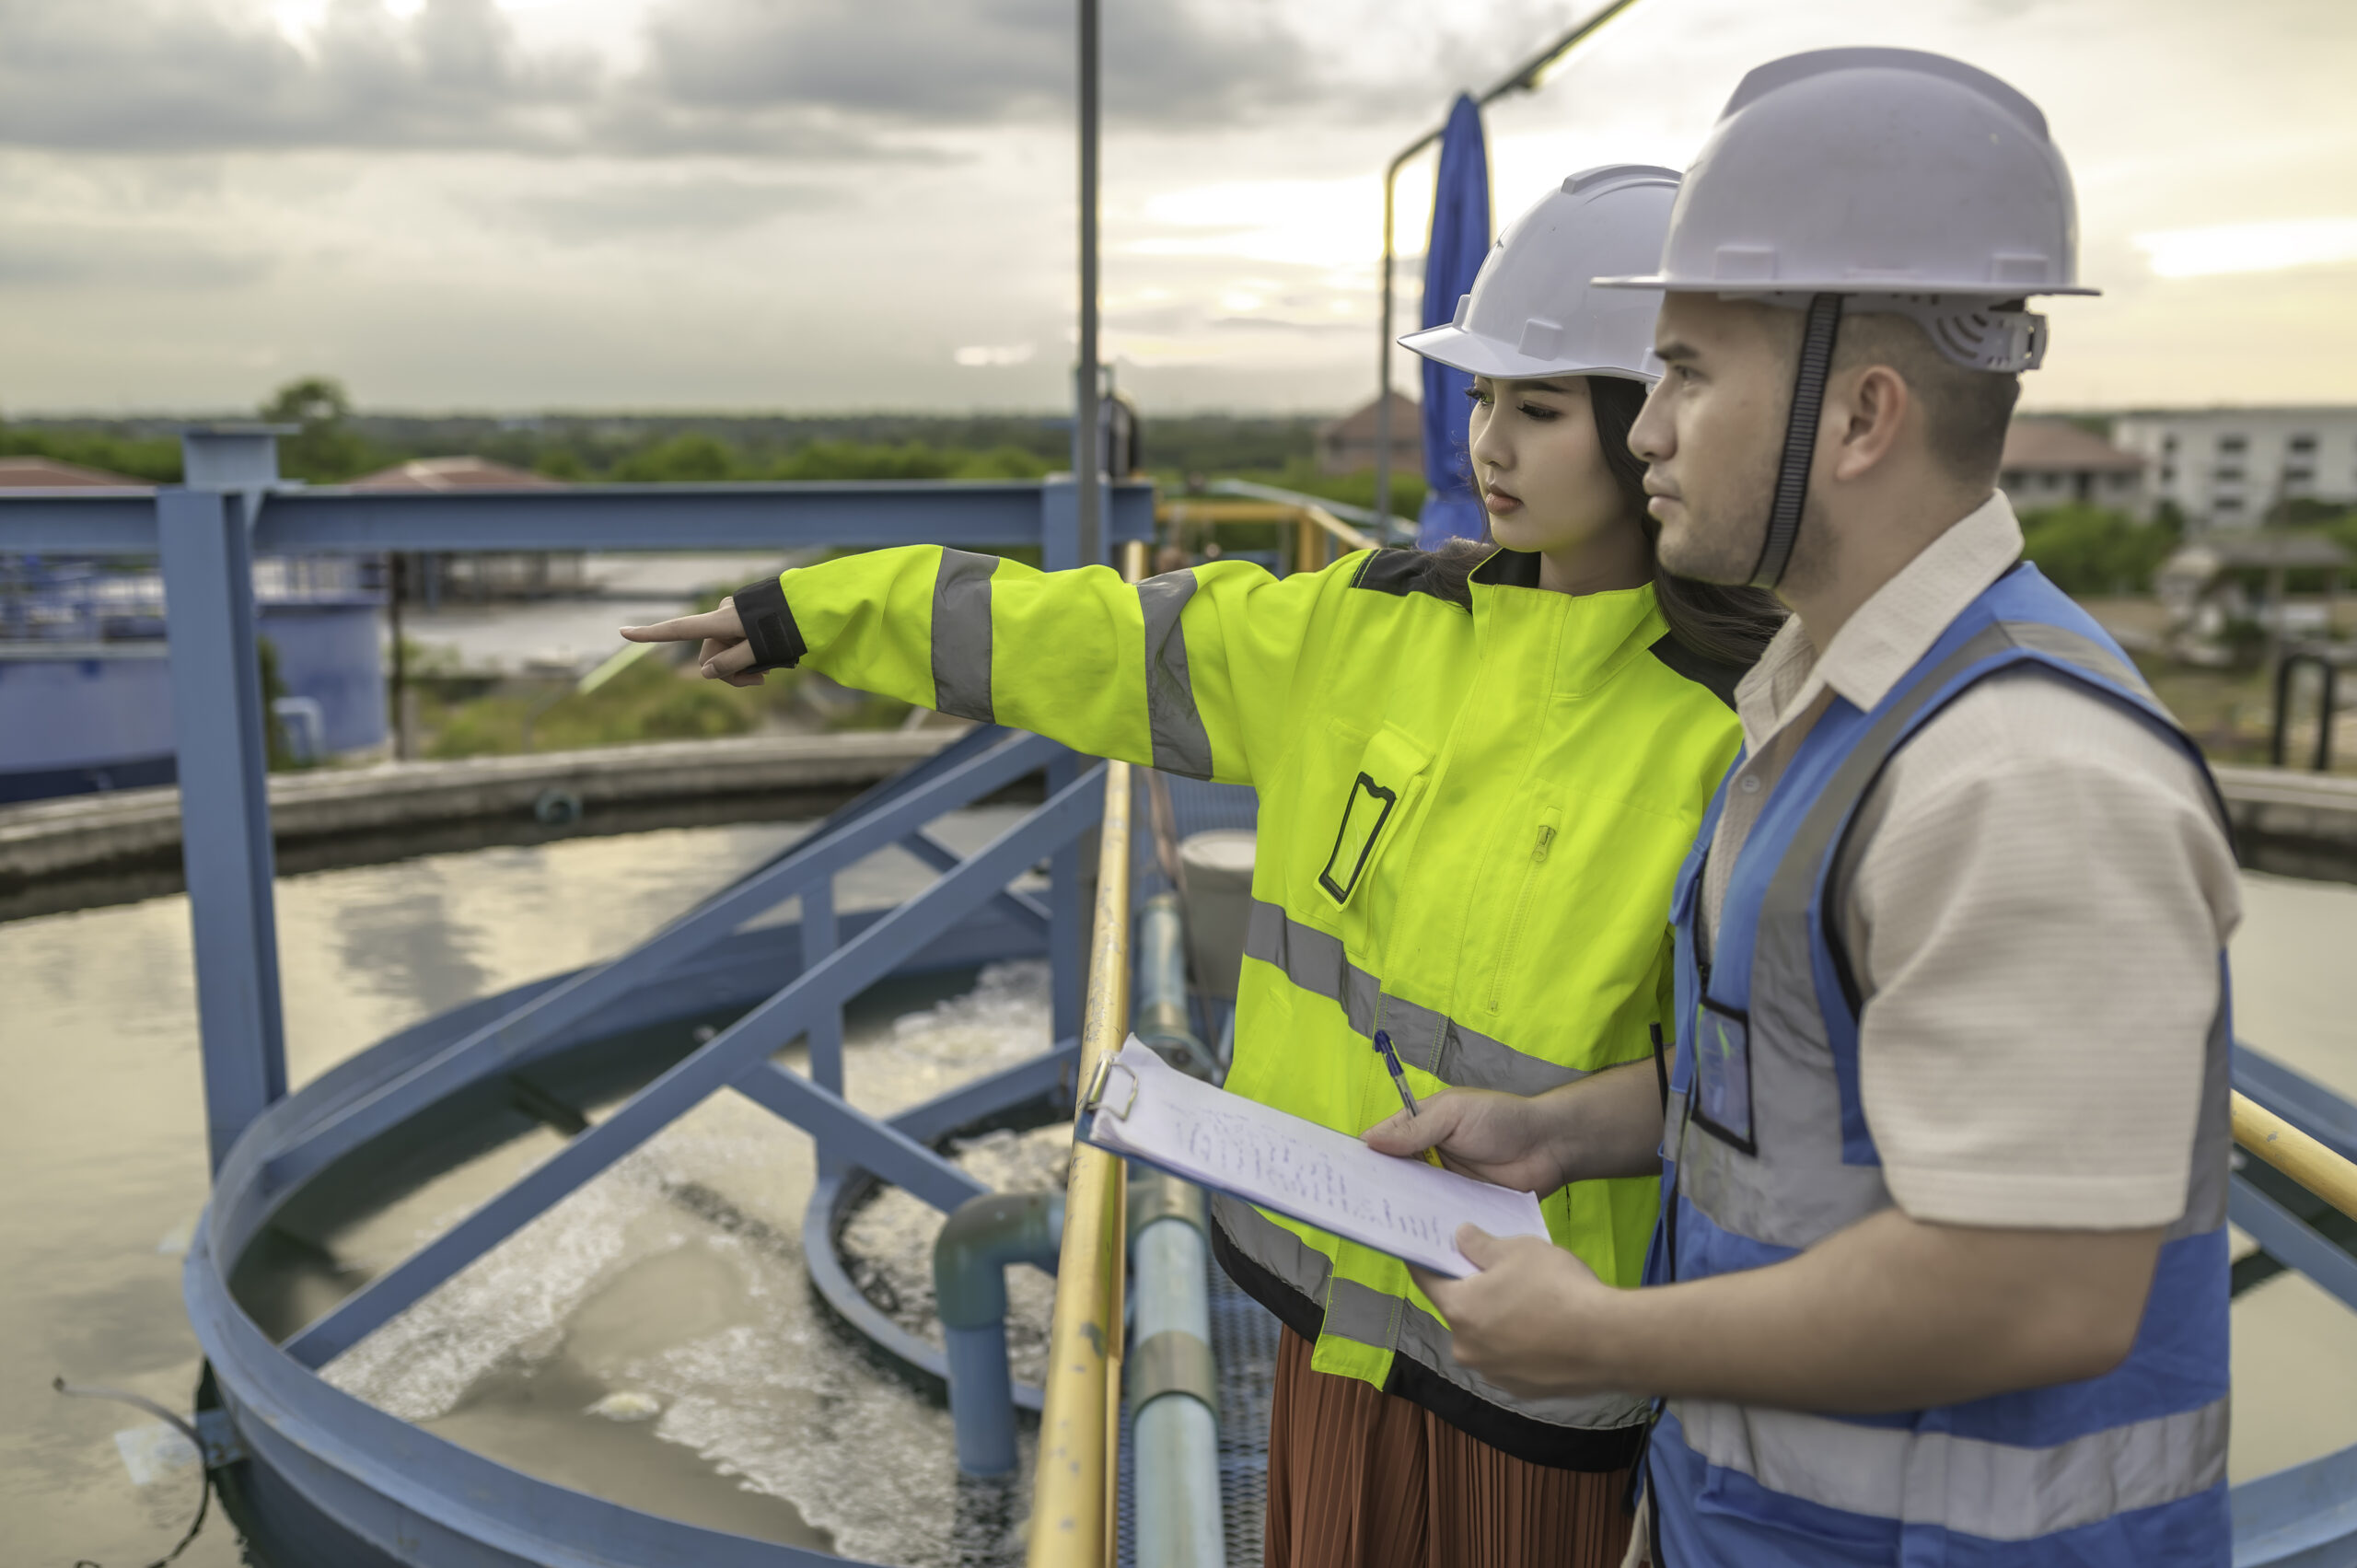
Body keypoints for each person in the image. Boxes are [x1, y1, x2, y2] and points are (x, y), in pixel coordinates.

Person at [619, 165, 1782, 1568]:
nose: (1491, 446)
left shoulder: (1735, 719)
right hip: (1314, 1307)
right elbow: (1097, 636)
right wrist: (814, 610)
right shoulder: (1367, 626)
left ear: (1650, 422)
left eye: (1537, 409)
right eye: (1479, 403)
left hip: (1535, 1364)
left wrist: (1590, 1127)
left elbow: (1778, 1066)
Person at [1368, 49, 2241, 1567]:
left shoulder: (2020, 773)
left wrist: (1609, 1335)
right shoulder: (1833, 698)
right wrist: (1560, 1129)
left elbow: (2034, 1287)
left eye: (1689, 375)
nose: (1645, 431)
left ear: (1861, 419)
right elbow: (1811, 1087)